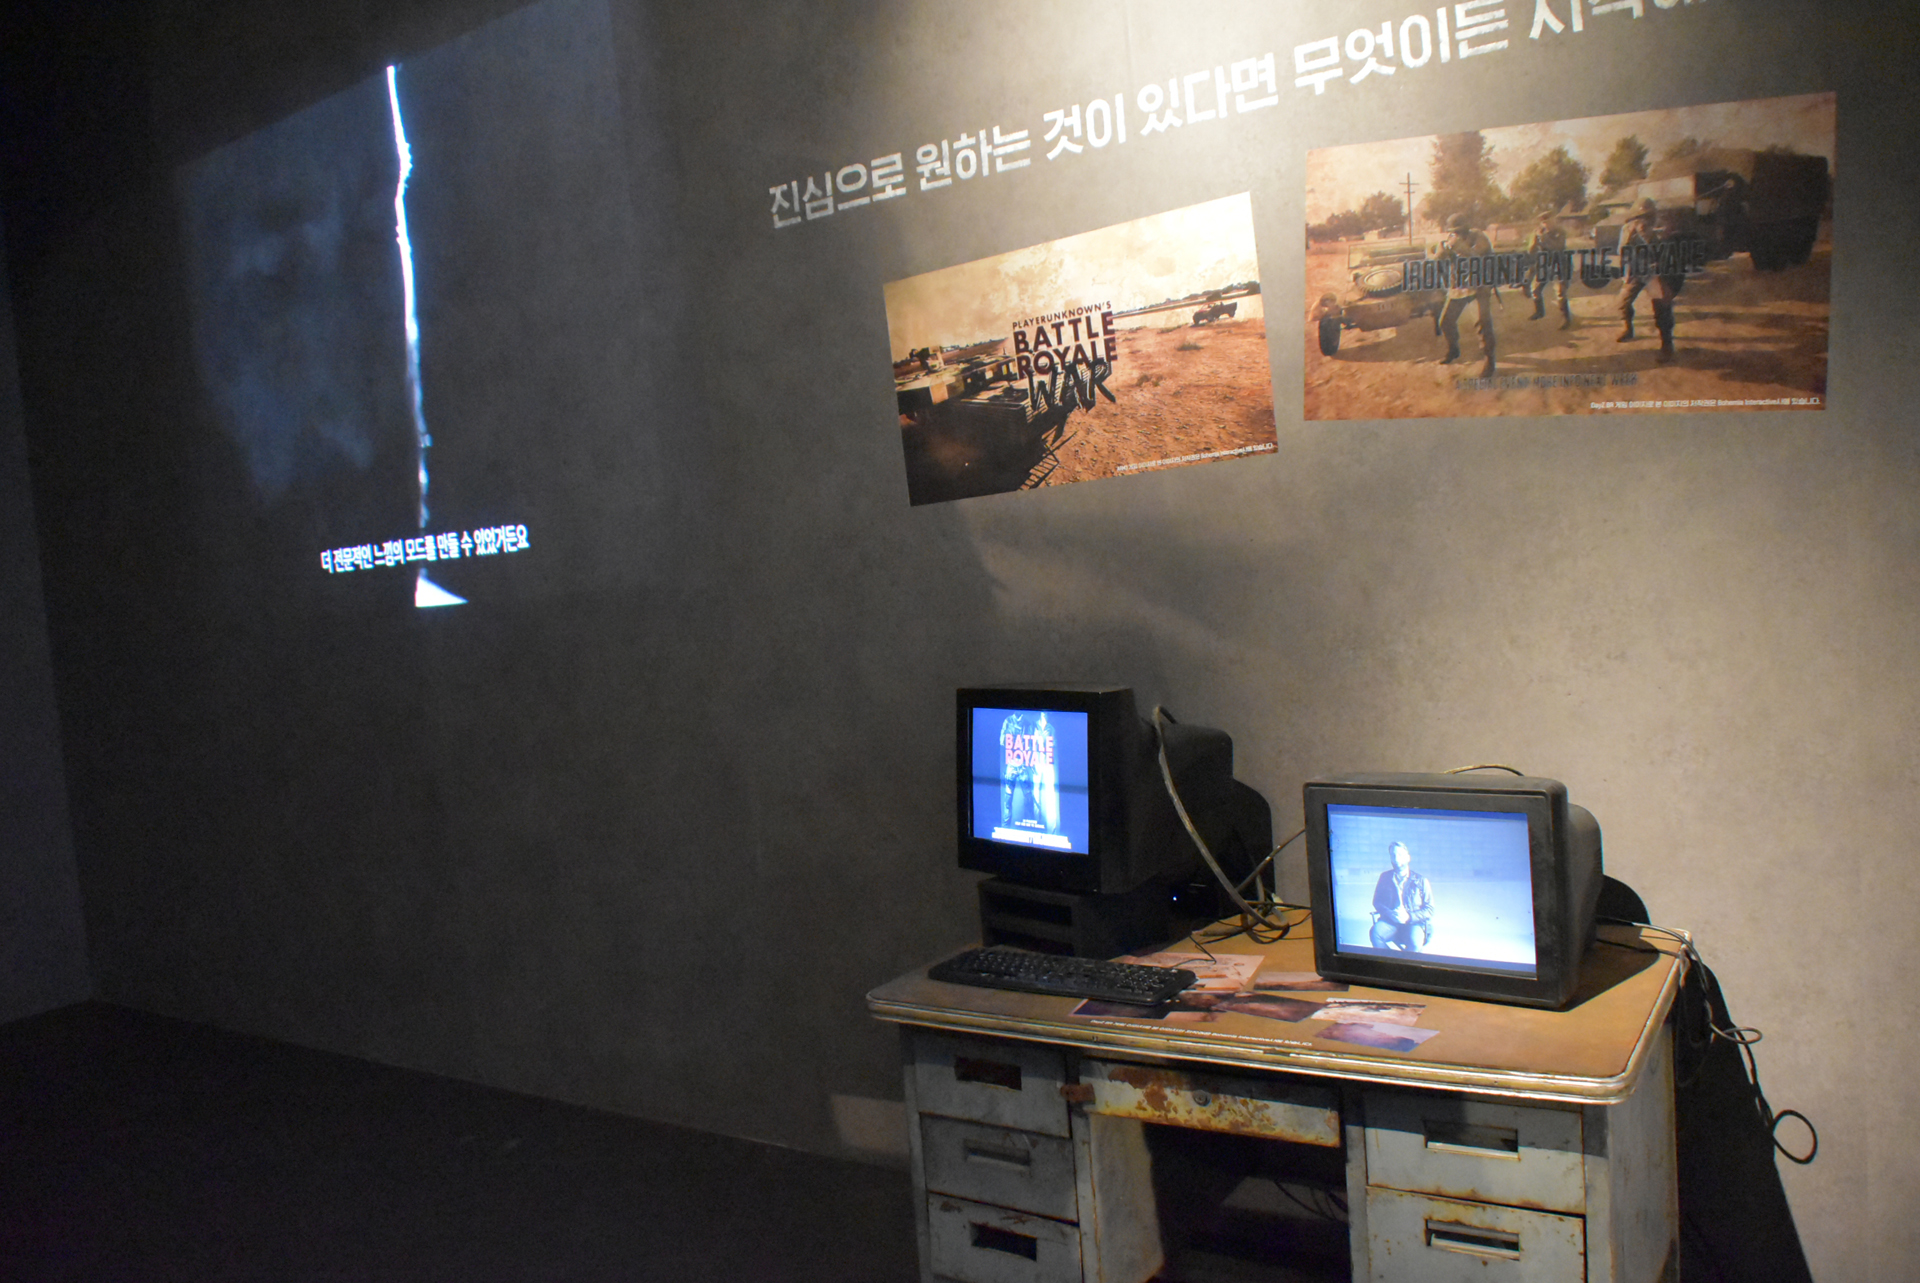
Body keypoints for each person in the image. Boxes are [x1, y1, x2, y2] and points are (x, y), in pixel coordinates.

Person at [1616, 197, 1684, 362]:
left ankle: (1667, 345)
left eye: (1648, 216)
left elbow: (1668, 254)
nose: (1644, 220)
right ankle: (1628, 328)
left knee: (1661, 308)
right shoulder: (1628, 229)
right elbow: (1622, 251)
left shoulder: (1661, 229)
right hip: (1637, 270)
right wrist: (1626, 269)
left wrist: (1651, 236)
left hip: (1655, 272)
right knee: (1623, 302)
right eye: (1641, 216)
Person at [1435, 212, 1496, 377]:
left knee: (1482, 322)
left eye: (1460, 231)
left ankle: (1489, 360)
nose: (1457, 234)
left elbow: (1479, 256)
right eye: (1454, 231)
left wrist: (1462, 248)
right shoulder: (1451, 239)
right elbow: (1438, 259)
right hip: (1460, 286)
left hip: (1479, 286)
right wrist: (1443, 250)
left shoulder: (1479, 237)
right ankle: (1453, 349)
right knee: (1445, 321)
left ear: (1466, 228)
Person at [1369, 842, 1434, 951]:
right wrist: (1390, 913)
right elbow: (1377, 902)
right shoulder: (1385, 877)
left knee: (1415, 945)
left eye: (1400, 854)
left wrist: (1409, 916)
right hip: (1390, 921)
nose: (1396, 859)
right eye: (1393, 855)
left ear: (1408, 857)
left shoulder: (1421, 881)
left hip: (1414, 923)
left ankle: (1402, 960)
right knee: (1375, 934)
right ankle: (1391, 959)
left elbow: (1429, 909)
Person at [1525, 205, 1573, 330]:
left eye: (1548, 221)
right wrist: (1534, 241)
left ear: (1554, 220)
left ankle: (1566, 319)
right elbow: (1531, 250)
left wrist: (1545, 239)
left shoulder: (1560, 232)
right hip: (1544, 263)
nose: (1546, 224)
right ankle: (1539, 311)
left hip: (1559, 263)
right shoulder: (1538, 232)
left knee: (1560, 292)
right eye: (1544, 222)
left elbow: (1559, 246)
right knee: (1535, 289)